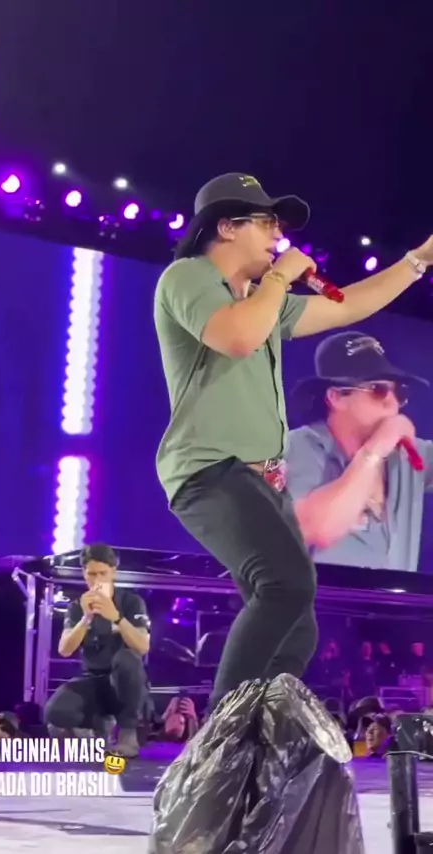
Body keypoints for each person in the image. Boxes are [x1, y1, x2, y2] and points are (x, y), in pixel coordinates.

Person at [153, 170, 433, 712]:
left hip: (263, 480)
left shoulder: (263, 301)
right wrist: (280, 277)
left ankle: (260, 732)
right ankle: (223, 732)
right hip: (211, 469)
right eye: (266, 224)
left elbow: (348, 306)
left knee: (297, 628)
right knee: (286, 586)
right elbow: (236, 337)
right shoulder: (187, 277)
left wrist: (418, 260)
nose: (278, 236)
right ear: (227, 227)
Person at [286, 331, 433, 571]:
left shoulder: (409, 455)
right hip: (322, 597)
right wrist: (373, 452)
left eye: (400, 392)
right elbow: (318, 529)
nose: (392, 402)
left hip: (394, 597)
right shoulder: (299, 446)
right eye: (377, 389)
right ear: (337, 397)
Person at [44, 543, 150, 758]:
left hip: (126, 683)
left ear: (113, 572)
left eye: (103, 573)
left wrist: (116, 618)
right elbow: (64, 650)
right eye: (92, 574)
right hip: (94, 680)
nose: (97, 579)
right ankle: (99, 727)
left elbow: (142, 646)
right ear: (84, 574)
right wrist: (86, 618)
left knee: (127, 658)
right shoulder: (77, 606)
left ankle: (127, 733)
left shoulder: (131, 602)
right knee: (56, 712)